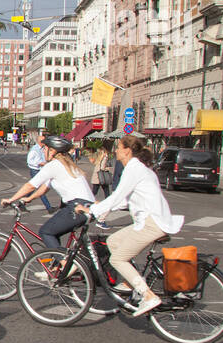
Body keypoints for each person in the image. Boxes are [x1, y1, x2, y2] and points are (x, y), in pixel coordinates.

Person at [73, 135, 183, 318]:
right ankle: (132, 283)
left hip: (151, 223)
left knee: (117, 260)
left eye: (119, 147)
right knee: (113, 241)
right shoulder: (142, 169)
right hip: (149, 221)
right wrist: (97, 207)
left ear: (127, 150)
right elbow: (124, 201)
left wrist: (92, 211)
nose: (116, 150)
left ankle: (148, 295)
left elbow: (117, 197)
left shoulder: (134, 169)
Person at [1, 135, 93, 250]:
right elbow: (45, 187)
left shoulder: (53, 165)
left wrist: (10, 199)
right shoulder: (67, 165)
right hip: (88, 206)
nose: (43, 151)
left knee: (46, 232)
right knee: (54, 232)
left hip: (76, 207)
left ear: (52, 151)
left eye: (45, 148)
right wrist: (29, 199)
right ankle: (58, 265)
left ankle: (66, 264)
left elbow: (30, 185)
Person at [27, 131, 53, 212]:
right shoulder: (34, 149)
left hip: (40, 170)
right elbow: (29, 161)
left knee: (33, 188)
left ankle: (22, 203)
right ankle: (49, 208)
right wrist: (39, 163)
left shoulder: (42, 149)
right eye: (44, 141)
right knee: (40, 189)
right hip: (35, 170)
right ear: (40, 142)